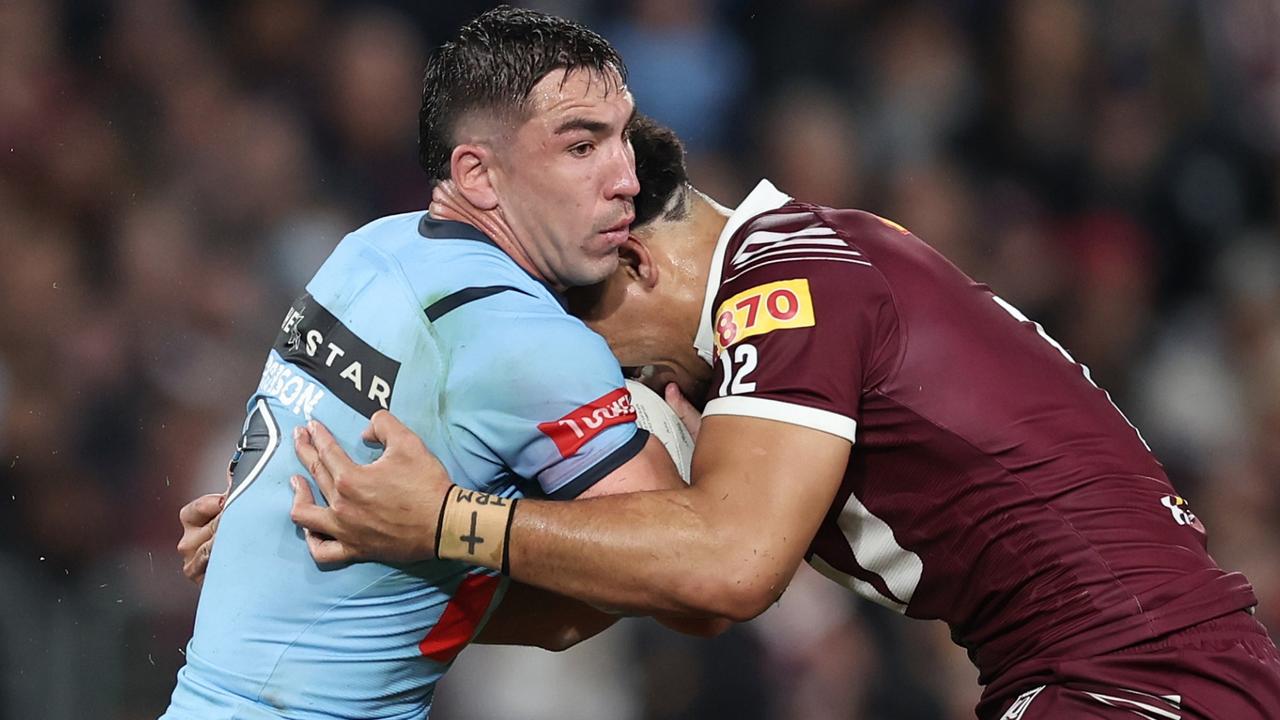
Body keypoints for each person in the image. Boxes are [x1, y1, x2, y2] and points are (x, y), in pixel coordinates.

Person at [284, 117, 1280, 719]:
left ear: (631, 260)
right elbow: (624, 596)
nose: (593, 369)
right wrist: (352, 568)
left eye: (575, 331)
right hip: (1151, 679)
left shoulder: (785, 281)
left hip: (1135, 685)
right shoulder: (797, 281)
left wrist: (448, 519)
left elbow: (727, 564)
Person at [163, 9, 712, 720]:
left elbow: (554, 614)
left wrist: (263, 543)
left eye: (621, 137)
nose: (627, 180)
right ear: (478, 173)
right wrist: (699, 453)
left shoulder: (365, 249)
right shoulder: (526, 336)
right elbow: (699, 584)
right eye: (582, 147)